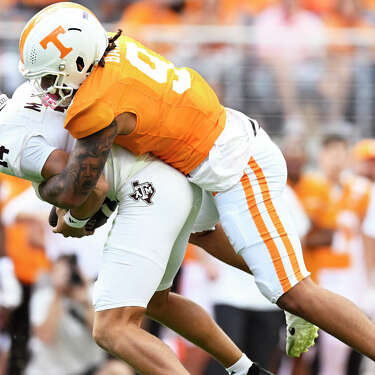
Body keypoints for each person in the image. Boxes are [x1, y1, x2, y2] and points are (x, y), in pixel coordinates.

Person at [18, 1, 375, 370]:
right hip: (200, 165)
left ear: (79, 62)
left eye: (48, 79)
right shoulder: (107, 46)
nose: (44, 91)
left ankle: (297, 292)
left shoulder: (98, 102)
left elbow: (80, 190)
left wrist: (59, 205)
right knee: (196, 241)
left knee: (294, 293)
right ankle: (263, 327)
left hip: (235, 166)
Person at [0, 83, 274, 375]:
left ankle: (285, 285)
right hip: (168, 171)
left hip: (145, 189)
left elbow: (93, 183)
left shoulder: (8, 138)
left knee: (111, 329)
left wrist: (77, 219)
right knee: (158, 301)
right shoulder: (28, 93)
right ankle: (248, 366)